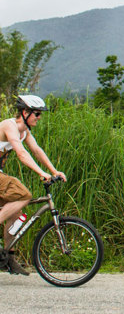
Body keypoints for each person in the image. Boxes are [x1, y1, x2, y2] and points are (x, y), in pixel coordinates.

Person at [0, 95, 66, 275]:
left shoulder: (24, 132)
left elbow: (37, 151)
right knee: (23, 194)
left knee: (16, 213)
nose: (39, 117)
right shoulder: (9, 126)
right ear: (25, 112)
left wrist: (54, 171)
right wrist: (41, 173)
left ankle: (8, 257)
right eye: (37, 114)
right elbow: (21, 153)